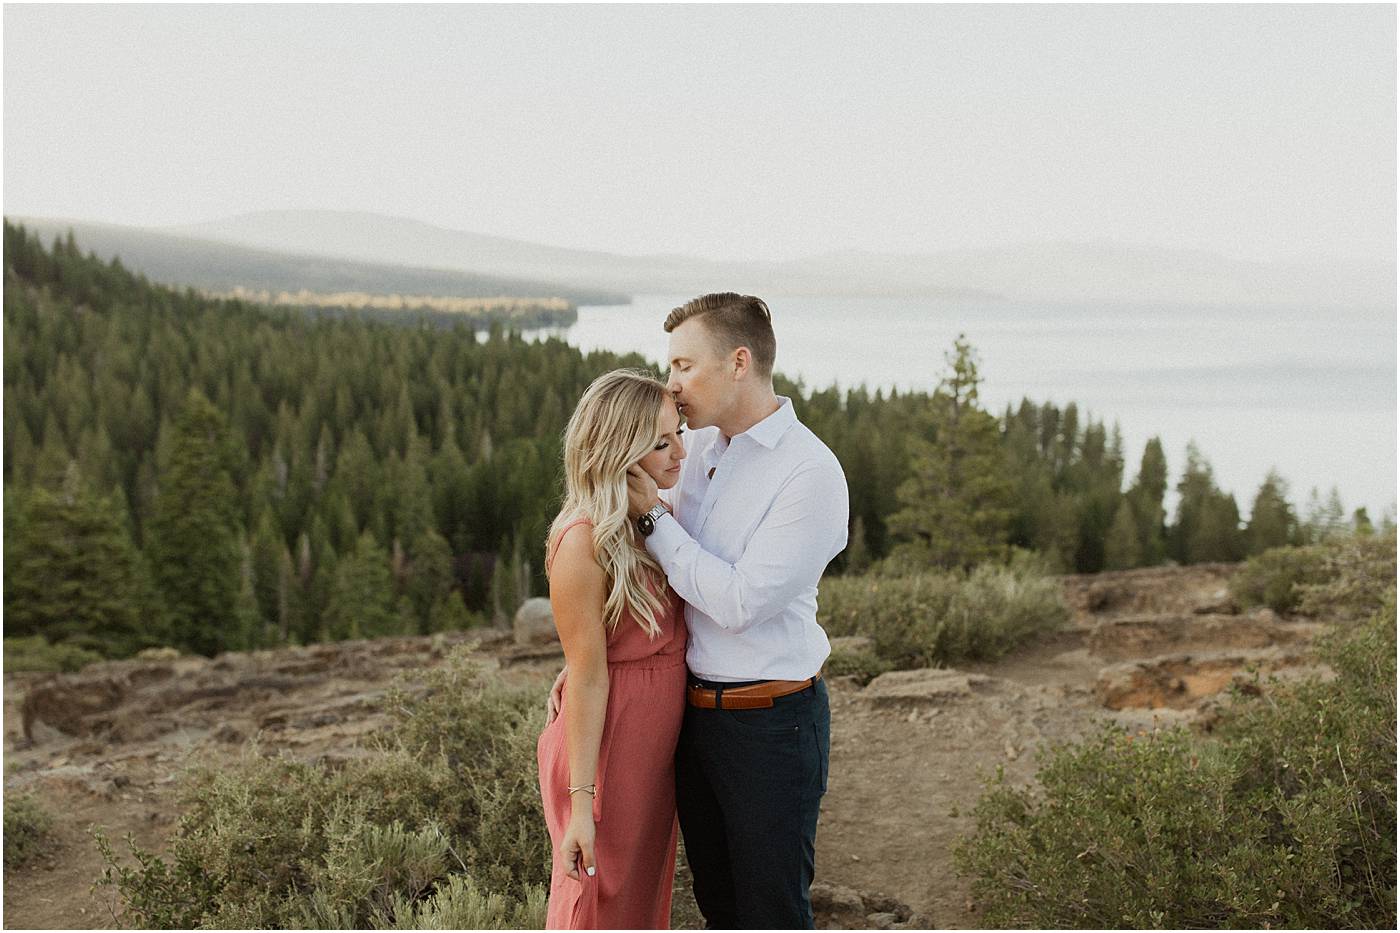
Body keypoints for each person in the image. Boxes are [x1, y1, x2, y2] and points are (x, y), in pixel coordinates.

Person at [551, 292, 849, 928]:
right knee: (716, 905)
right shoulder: (696, 449)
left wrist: (654, 517)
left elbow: (737, 602)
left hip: (771, 724)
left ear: (739, 362)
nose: (672, 383)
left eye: (684, 365)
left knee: (768, 911)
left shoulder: (809, 473)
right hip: (686, 723)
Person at [536, 369, 690, 929]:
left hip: (651, 751)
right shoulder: (581, 540)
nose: (679, 450)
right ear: (618, 452)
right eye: (659, 442)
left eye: (678, 432)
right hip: (608, 748)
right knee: (594, 905)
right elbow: (590, 677)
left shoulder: (654, 519)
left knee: (638, 904)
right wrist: (583, 805)